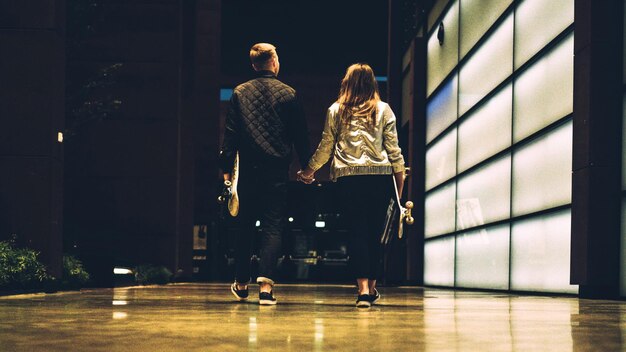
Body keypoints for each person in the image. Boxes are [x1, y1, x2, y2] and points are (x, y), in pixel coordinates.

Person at [297, 63, 405, 308]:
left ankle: (363, 291)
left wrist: (309, 171)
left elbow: (326, 146)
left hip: (348, 179)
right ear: (372, 84)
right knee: (375, 234)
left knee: (356, 232)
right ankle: (373, 287)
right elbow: (394, 151)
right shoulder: (384, 110)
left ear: (346, 82)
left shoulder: (336, 110)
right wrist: (399, 187)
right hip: (380, 178)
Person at [219, 43, 310, 305]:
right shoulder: (289, 94)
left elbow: (231, 136)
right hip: (276, 170)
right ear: (274, 62)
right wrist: (306, 167)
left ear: (254, 65)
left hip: (246, 169)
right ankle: (266, 289)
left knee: (244, 226)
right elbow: (300, 136)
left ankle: (240, 282)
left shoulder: (239, 92)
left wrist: (226, 172)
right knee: (273, 225)